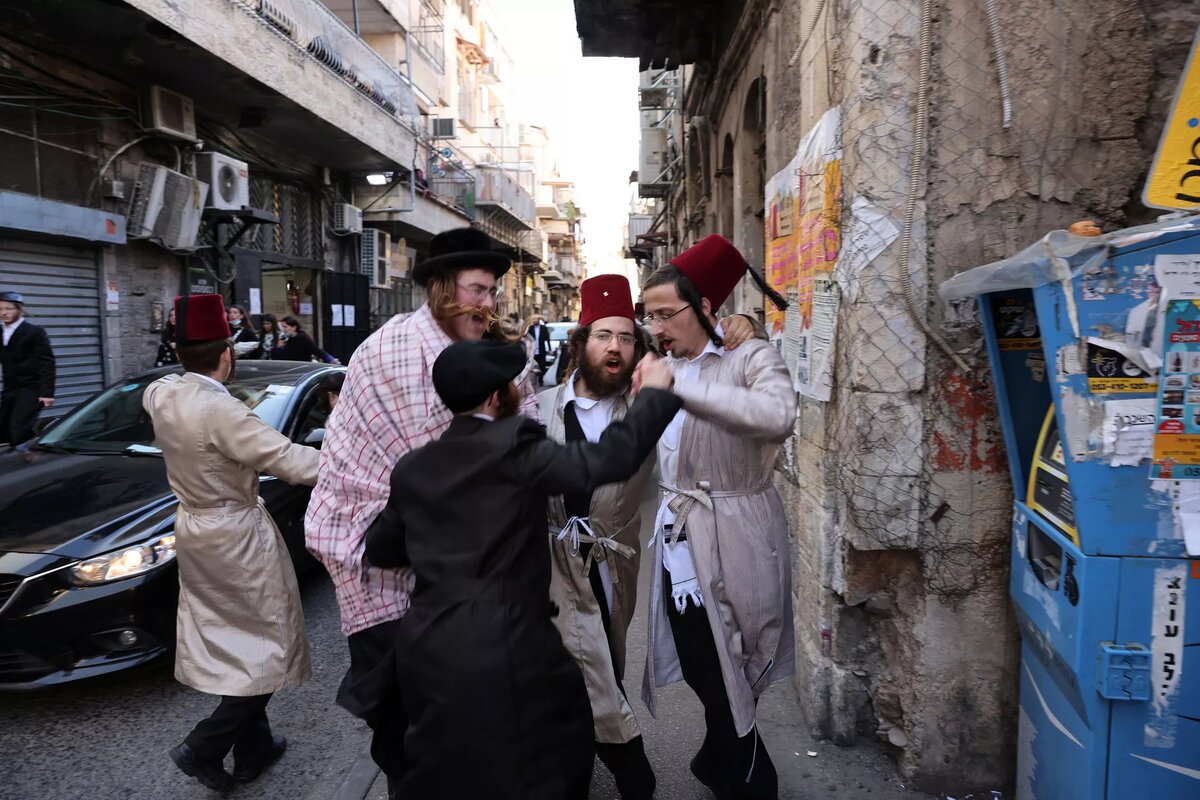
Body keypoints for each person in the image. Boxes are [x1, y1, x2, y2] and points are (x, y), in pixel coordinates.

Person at [364, 338, 682, 799]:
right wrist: (653, 393)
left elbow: (381, 548)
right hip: (507, 644)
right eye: (514, 385)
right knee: (538, 763)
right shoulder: (514, 444)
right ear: (497, 397)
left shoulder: (413, 467)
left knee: (455, 773)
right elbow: (610, 459)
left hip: (427, 648)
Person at [305, 227, 542, 798]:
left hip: (442, 561)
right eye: (478, 290)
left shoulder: (484, 352)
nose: (489, 303)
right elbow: (448, 472)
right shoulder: (397, 352)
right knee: (404, 729)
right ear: (441, 288)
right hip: (372, 553)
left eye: (493, 292)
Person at [538, 275, 765, 799]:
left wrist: (739, 329)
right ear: (581, 342)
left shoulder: (650, 407)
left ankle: (597, 759)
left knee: (605, 658)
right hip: (550, 565)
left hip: (613, 563)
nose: (614, 347)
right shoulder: (540, 406)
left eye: (625, 337)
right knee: (575, 669)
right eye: (603, 336)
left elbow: (716, 380)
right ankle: (623, 770)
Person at [638, 234, 797, 800]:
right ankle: (721, 760)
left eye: (665, 314)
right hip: (679, 540)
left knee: (738, 660)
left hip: (738, 532)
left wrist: (682, 388)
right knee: (701, 663)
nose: (655, 327)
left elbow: (777, 415)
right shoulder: (662, 366)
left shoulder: (749, 356)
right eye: (649, 315)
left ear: (704, 306)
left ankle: (748, 778)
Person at [143, 294, 320, 794]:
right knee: (270, 644)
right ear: (227, 353)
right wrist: (359, 466)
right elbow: (292, 461)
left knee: (239, 640)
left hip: (194, 528)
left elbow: (165, 385)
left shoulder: (161, 394)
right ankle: (204, 745)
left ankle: (253, 752)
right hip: (236, 534)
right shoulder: (221, 410)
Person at [0, 291, 55, 449]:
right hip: (10, 388)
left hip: (31, 388)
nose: (3, 313)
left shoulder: (34, 331)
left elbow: (47, 362)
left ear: (19, 309)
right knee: (5, 428)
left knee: (19, 429)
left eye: (8, 308)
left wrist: (47, 393)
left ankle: (28, 456)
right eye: (0, 309)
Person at [273, 317, 339, 364]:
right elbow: (280, 357)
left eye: (285, 327)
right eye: (282, 327)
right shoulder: (286, 338)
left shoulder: (303, 338)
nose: (283, 330)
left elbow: (316, 350)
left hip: (302, 367)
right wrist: (278, 348)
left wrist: (330, 359)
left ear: (294, 327)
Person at [527, 314, 552, 385]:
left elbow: (547, 339)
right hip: (533, 351)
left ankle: (541, 380)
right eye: (534, 320)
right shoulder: (530, 328)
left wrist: (549, 348)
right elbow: (528, 339)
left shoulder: (543, 328)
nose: (535, 321)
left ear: (539, 320)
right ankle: (534, 380)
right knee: (533, 366)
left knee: (542, 366)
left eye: (536, 319)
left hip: (541, 350)